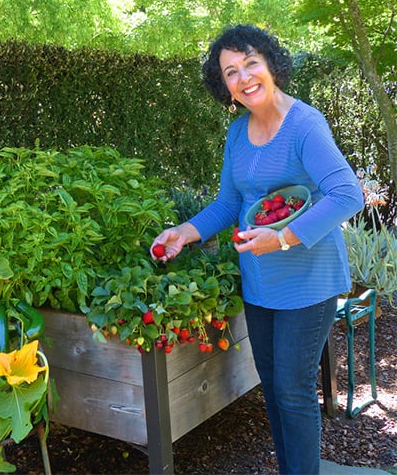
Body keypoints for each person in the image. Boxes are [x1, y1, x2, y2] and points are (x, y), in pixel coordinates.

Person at [150, 24, 364, 475]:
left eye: (250, 62)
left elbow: (347, 194)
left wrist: (283, 237)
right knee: (274, 388)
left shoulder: (304, 124)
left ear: (270, 65)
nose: (244, 76)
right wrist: (184, 231)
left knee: (294, 389)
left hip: (309, 282)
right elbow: (231, 202)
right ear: (223, 85)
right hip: (260, 282)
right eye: (231, 71)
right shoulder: (237, 134)